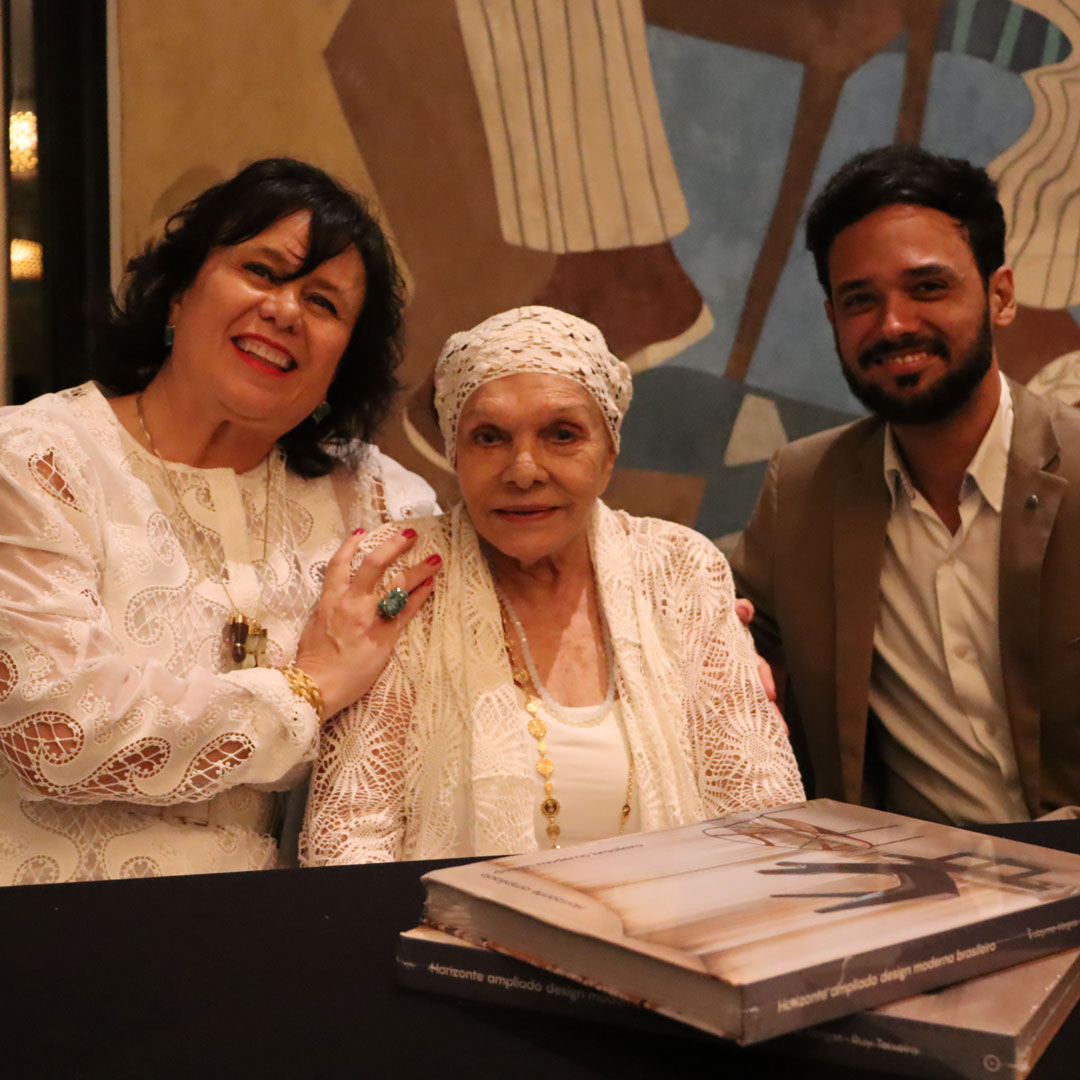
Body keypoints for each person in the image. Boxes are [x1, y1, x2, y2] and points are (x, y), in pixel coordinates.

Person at [0, 158, 443, 885]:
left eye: (325, 304)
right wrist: (305, 693)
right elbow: (57, 731)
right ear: (177, 295)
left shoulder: (381, 505)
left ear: (339, 364)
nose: (287, 310)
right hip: (46, 937)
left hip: (276, 944)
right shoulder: (34, 462)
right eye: (263, 271)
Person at [300, 305, 803, 865]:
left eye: (561, 435)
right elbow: (349, 840)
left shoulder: (680, 569)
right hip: (455, 944)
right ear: (454, 454)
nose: (523, 470)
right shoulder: (405, 571)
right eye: (488, 437)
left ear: (609, 453)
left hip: (670, 939)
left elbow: (763, 812)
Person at [730, 145, 1080, 826]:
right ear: (834, 320)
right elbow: (723, 657)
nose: (893, 325)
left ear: (1000, 296)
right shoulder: (804, 492)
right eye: (861, 300)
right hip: (908, 899)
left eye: (927, 288)